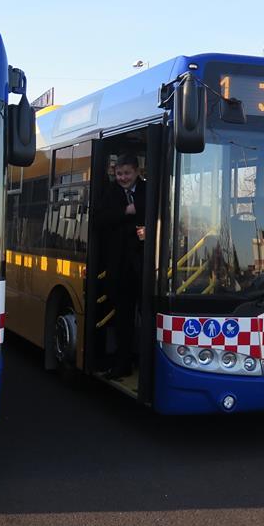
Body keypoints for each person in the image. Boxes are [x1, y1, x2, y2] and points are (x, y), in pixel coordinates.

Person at [95, 153, 146, 379]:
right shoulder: (111, 192)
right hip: (118, 265)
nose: (123, 178)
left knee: (147, 314)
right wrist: (127, 212)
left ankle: (146, 360)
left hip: (145, 264)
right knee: (122, 318)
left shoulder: (148, 190)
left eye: (127, 173)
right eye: (119, 174)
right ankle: (122, 362)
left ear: (137, 172)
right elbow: (100, 219)